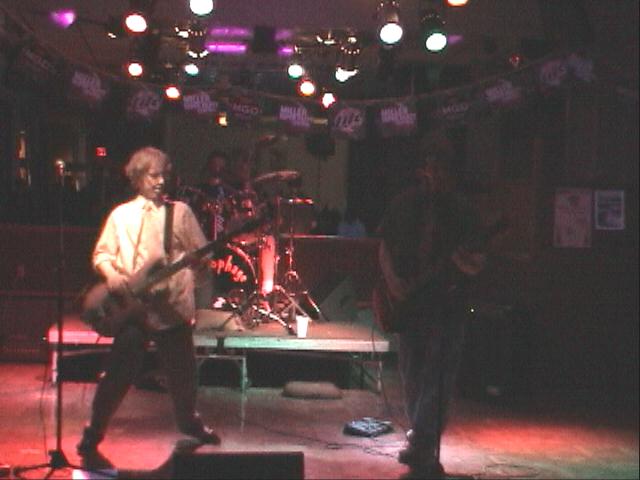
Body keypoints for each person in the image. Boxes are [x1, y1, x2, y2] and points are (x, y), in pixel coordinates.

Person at [77, 146, 220, 470]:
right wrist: (112, 276)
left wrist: (199, 264)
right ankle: (93, 433)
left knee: (183, 376)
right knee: (117, 375)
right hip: (132, 309)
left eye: (164, 175)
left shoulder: (180, 213)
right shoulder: (121, 215)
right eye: (153, 175)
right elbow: (102, 254)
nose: (160, 181)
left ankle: (190, 422)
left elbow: (204, 257)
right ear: (138, 177)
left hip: (171, 308)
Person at [376, 138, 487, 479]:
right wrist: (393, 282)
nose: (435, 175)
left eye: (442, 169)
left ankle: (422, 440)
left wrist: (467, 264)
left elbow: (477, 260)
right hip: (410, 304)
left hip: (447, 304)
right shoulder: (404, 203)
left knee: (439, 375)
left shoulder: (464, 210)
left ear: (452, 173)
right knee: (411, 374)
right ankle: (421, 441)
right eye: (431, 167)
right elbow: (384, 245)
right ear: (423, 168)